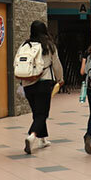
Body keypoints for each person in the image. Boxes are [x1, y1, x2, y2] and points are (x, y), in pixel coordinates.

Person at [16, 20, 63, 154]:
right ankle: (32, 136)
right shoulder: (48, 46)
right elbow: (56, 64)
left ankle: (42, 140)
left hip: (27, 83)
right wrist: (60, 79)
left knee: (37, 112)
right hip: (43, 82)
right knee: (42, 113)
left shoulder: (25, 45)